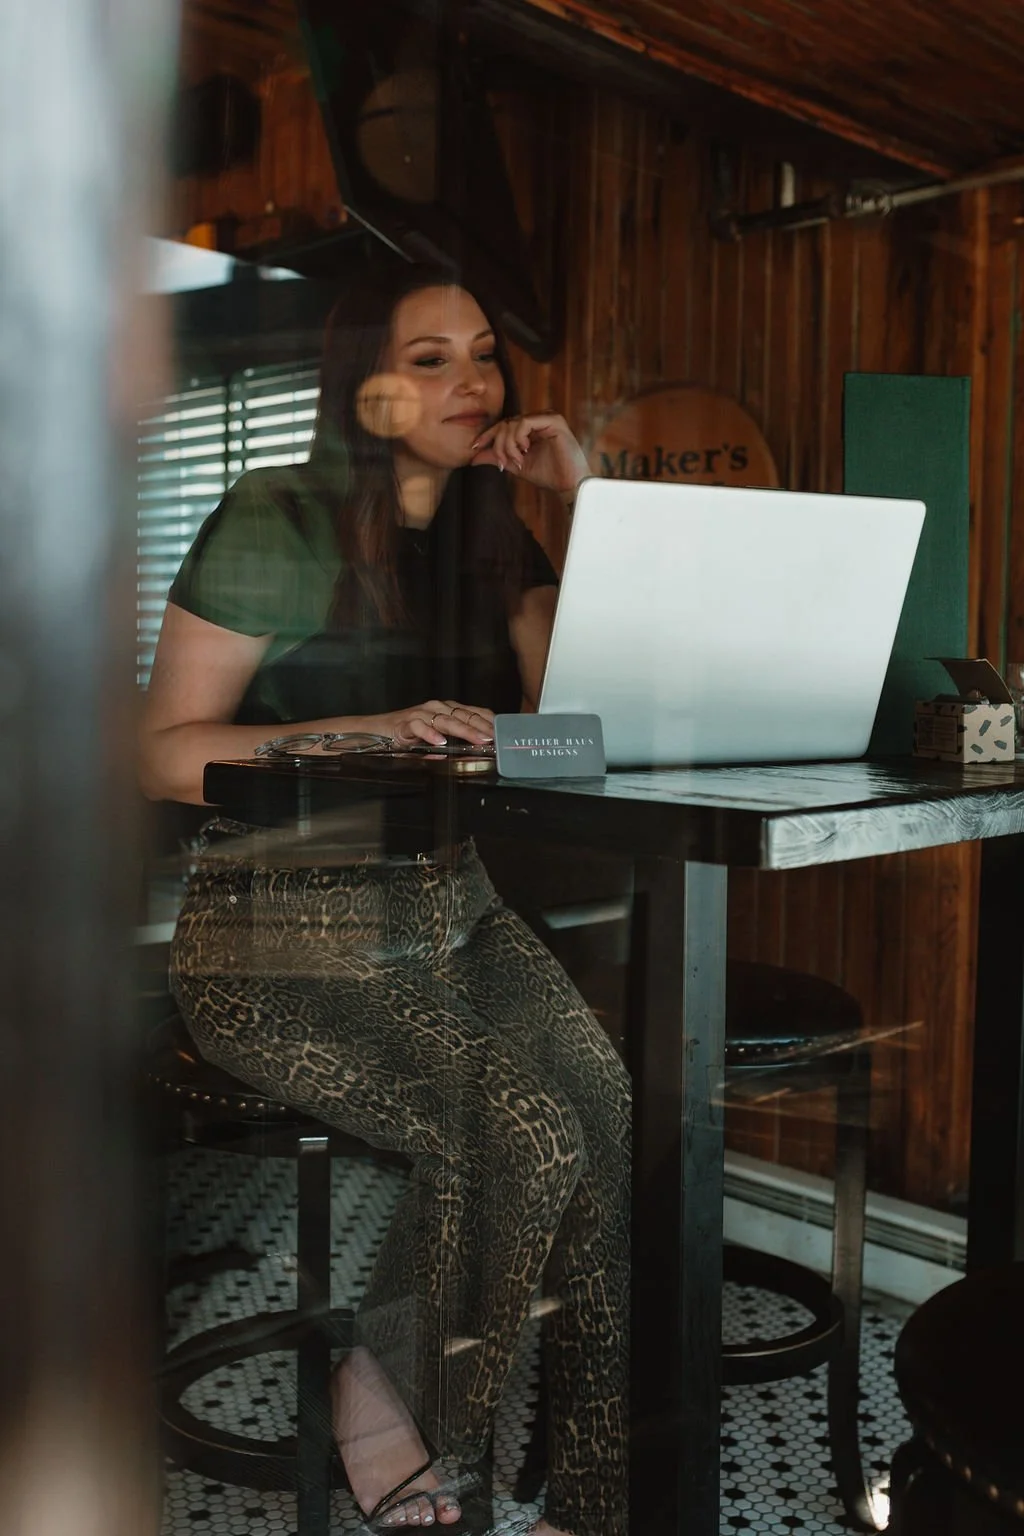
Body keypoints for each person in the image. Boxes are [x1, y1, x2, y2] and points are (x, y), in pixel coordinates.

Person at [139, 263, 631, 1536]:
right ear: (363, 393)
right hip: (276, 926)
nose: (474, 381)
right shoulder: (278, 516)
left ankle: (594, 1491)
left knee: (607, 1116)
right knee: (515, 1129)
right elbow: (155, 752)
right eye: (430, 359)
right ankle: (392, 1393)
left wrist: (582, 503)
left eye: (483, 353)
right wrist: (372, 729)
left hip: (450, 904)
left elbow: (589, 720)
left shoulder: (496, 530)